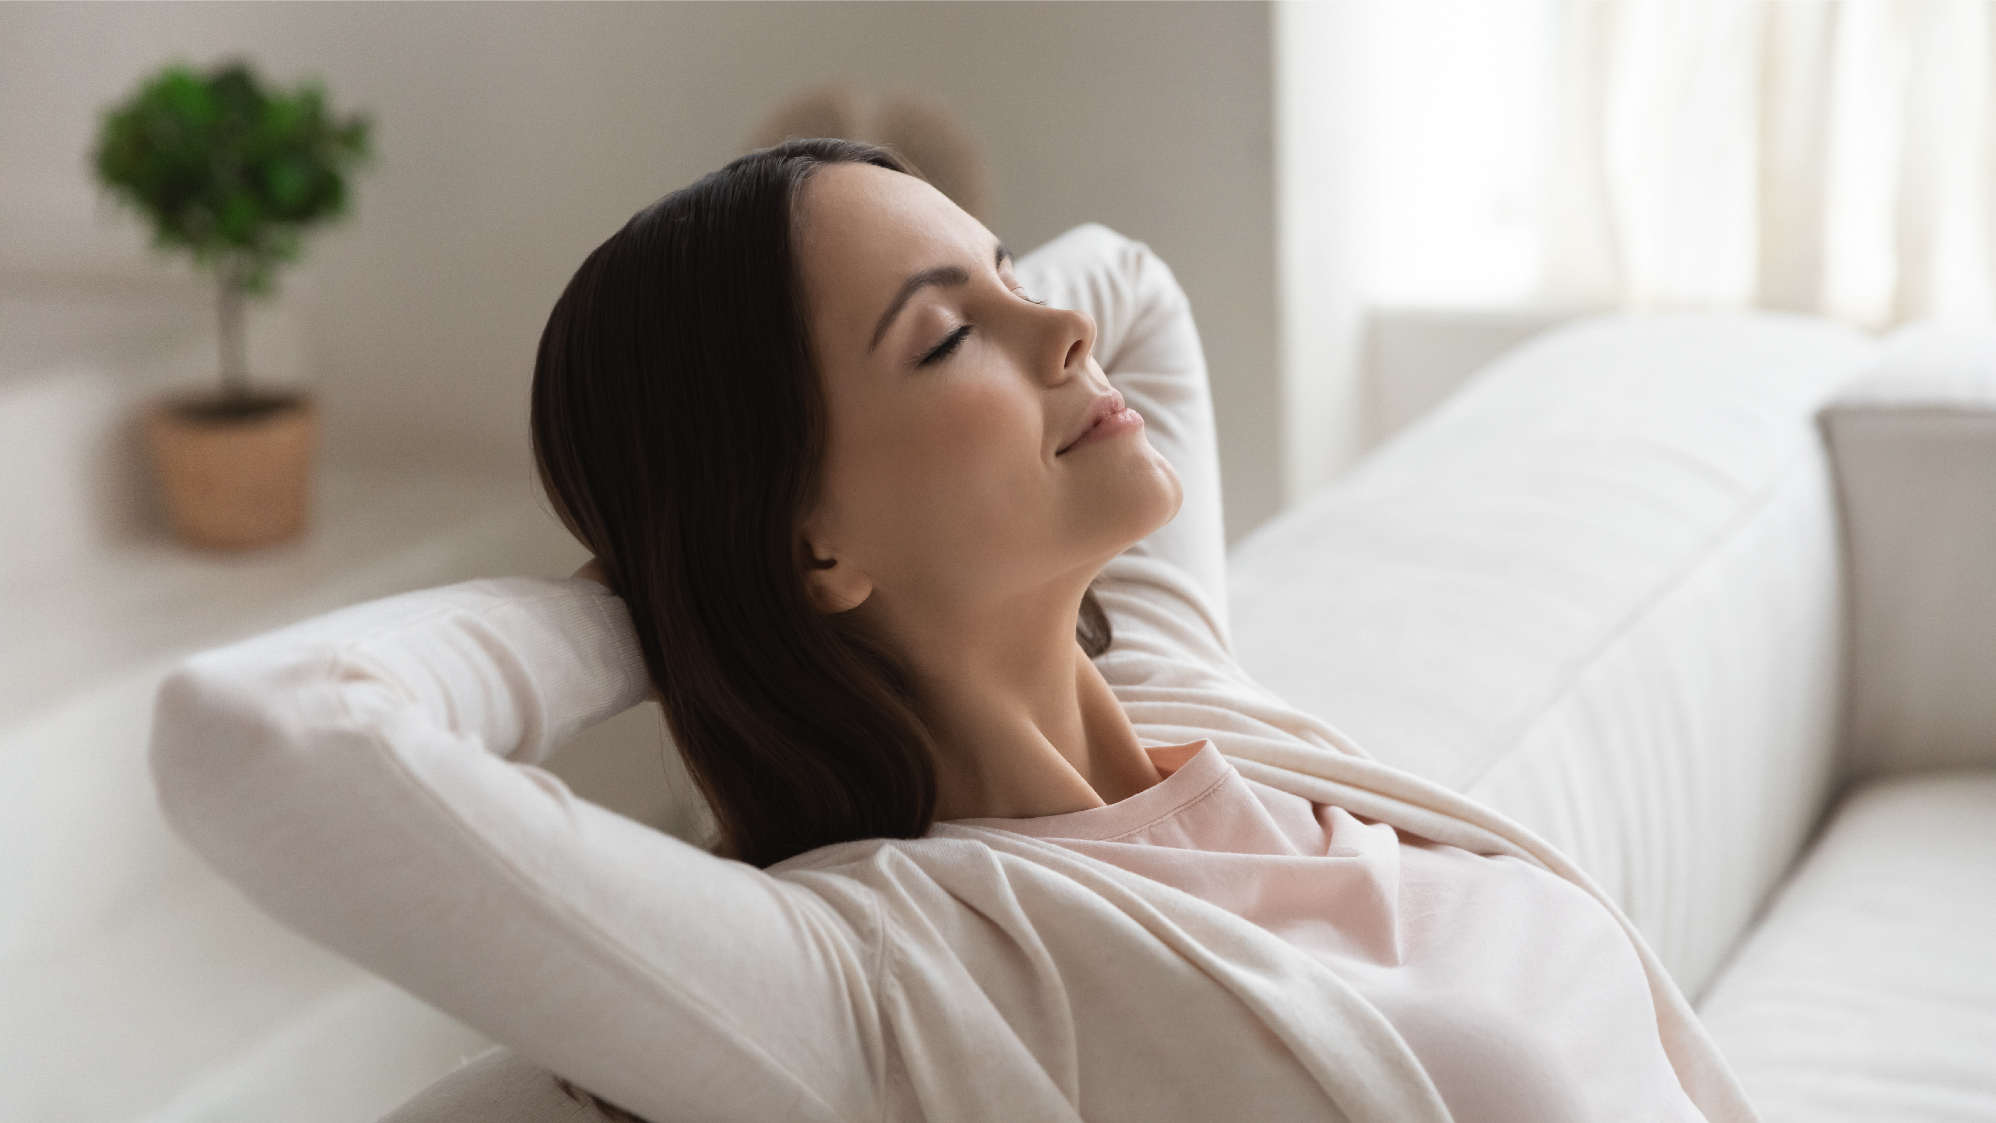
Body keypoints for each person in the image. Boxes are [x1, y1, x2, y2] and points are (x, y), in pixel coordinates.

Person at [149, 139, 1754, 1123]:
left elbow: (1127, 284)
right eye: (945, 338)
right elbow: (264, 733)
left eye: (999, 274)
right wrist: (651, 605)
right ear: (809, 540)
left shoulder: (1188, 689)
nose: (1054, 328)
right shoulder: (884, 989)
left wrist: (764, 540)